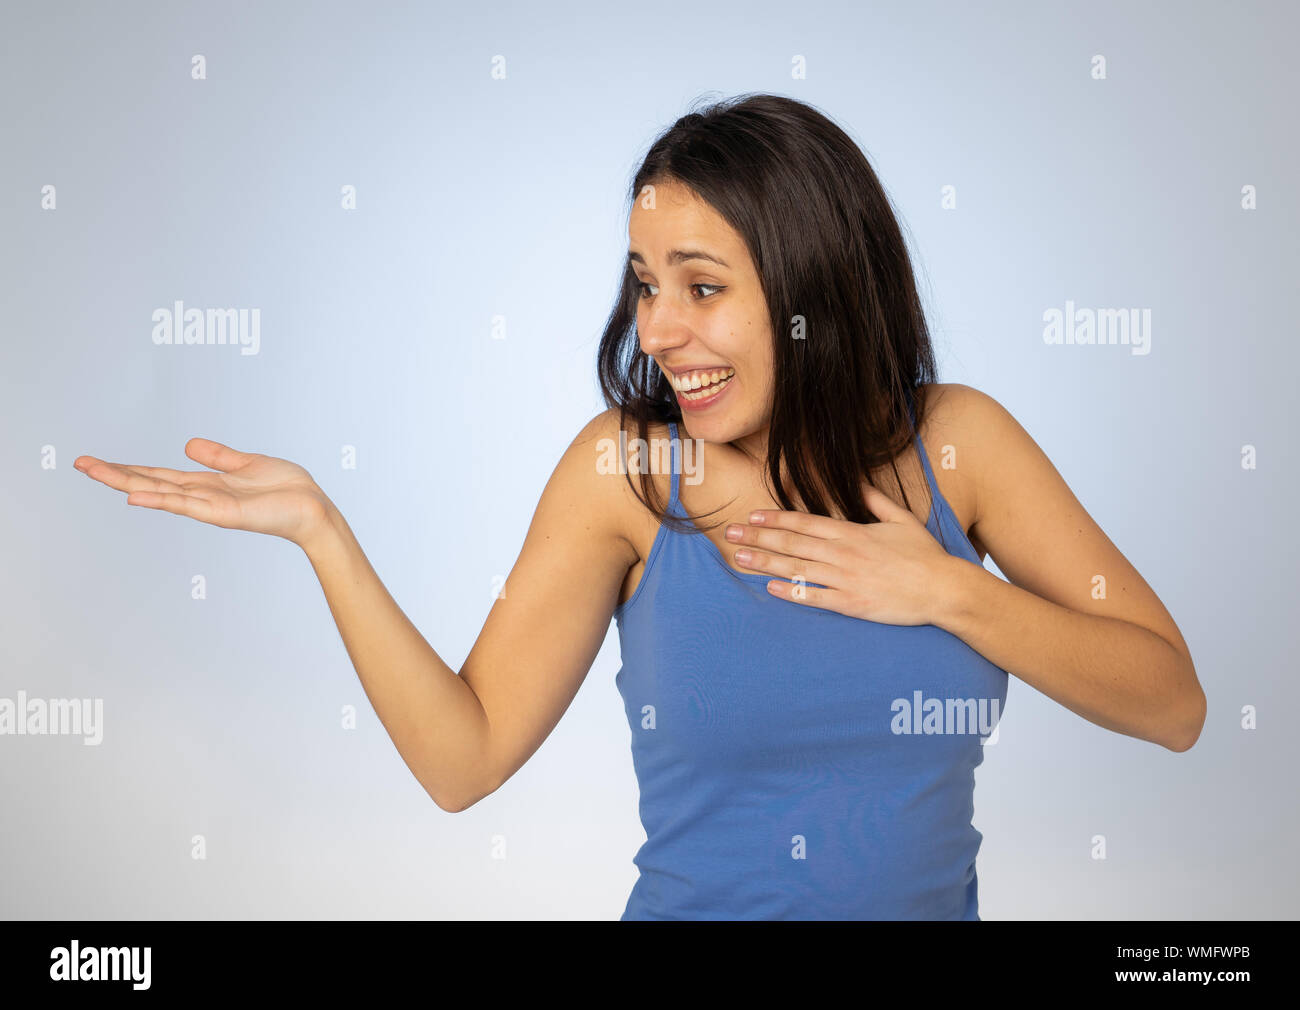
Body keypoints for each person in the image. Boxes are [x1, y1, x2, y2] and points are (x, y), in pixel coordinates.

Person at [74, 93, 1205, 920]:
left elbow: (1172, 701)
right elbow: (462, 761)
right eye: (646, 283)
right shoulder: (623, 475)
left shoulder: (959, 444)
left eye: (702, 287)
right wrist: (324, 535)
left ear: (810, 287)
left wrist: (947, 591)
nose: (659, 329)